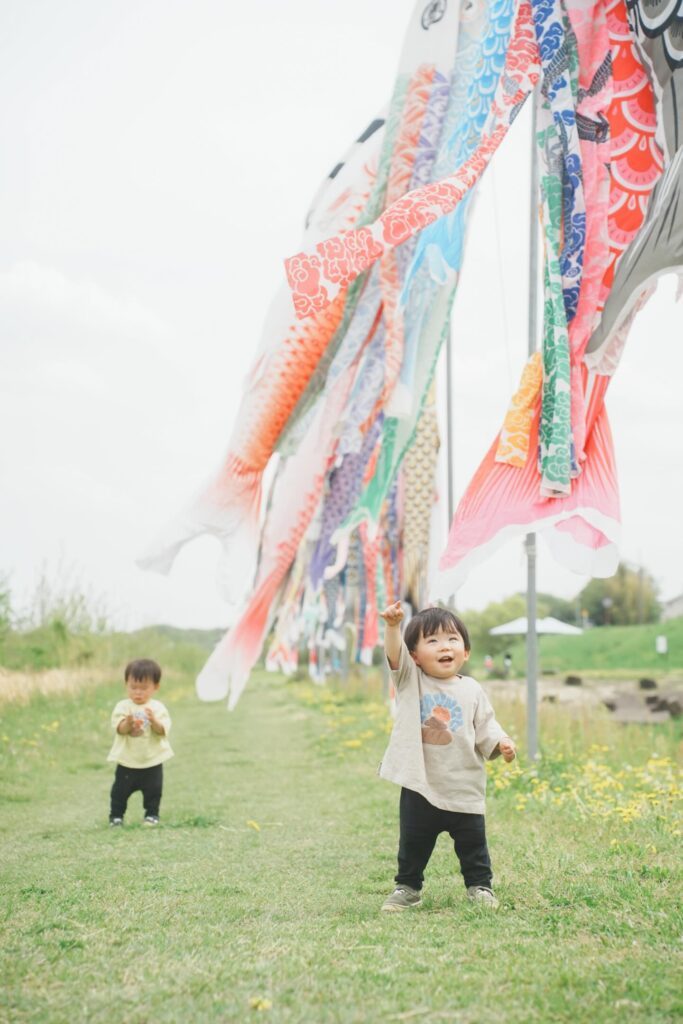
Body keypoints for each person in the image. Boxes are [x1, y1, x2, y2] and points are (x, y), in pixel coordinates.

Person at [378, 601, 516, 912]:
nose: (444, 646)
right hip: (421, 784)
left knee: (473, 844)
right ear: (415, 655)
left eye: (453, 639)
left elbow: (486, 725)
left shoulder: (473, 690)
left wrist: (502, 742)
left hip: (463, 783)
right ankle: (408, 888)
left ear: (465, 652)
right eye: (432, 640)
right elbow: (394, 654)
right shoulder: (411, 680)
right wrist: (393, 627)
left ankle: (480, 886)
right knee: (413, 843)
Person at [107, 658, 173, 827]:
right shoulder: (123, 707)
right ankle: (116, 816)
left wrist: (154, 721)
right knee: (119, 791)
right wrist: (128, 724)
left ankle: (151, 815)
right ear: (126, 685)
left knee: (154, 791)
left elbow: (162, 730)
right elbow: (120, 729)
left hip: (152, 759)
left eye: (144, 688)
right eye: (133, 687)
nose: (138, 692)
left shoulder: (157, 708)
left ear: (155, 687)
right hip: (127, 760)